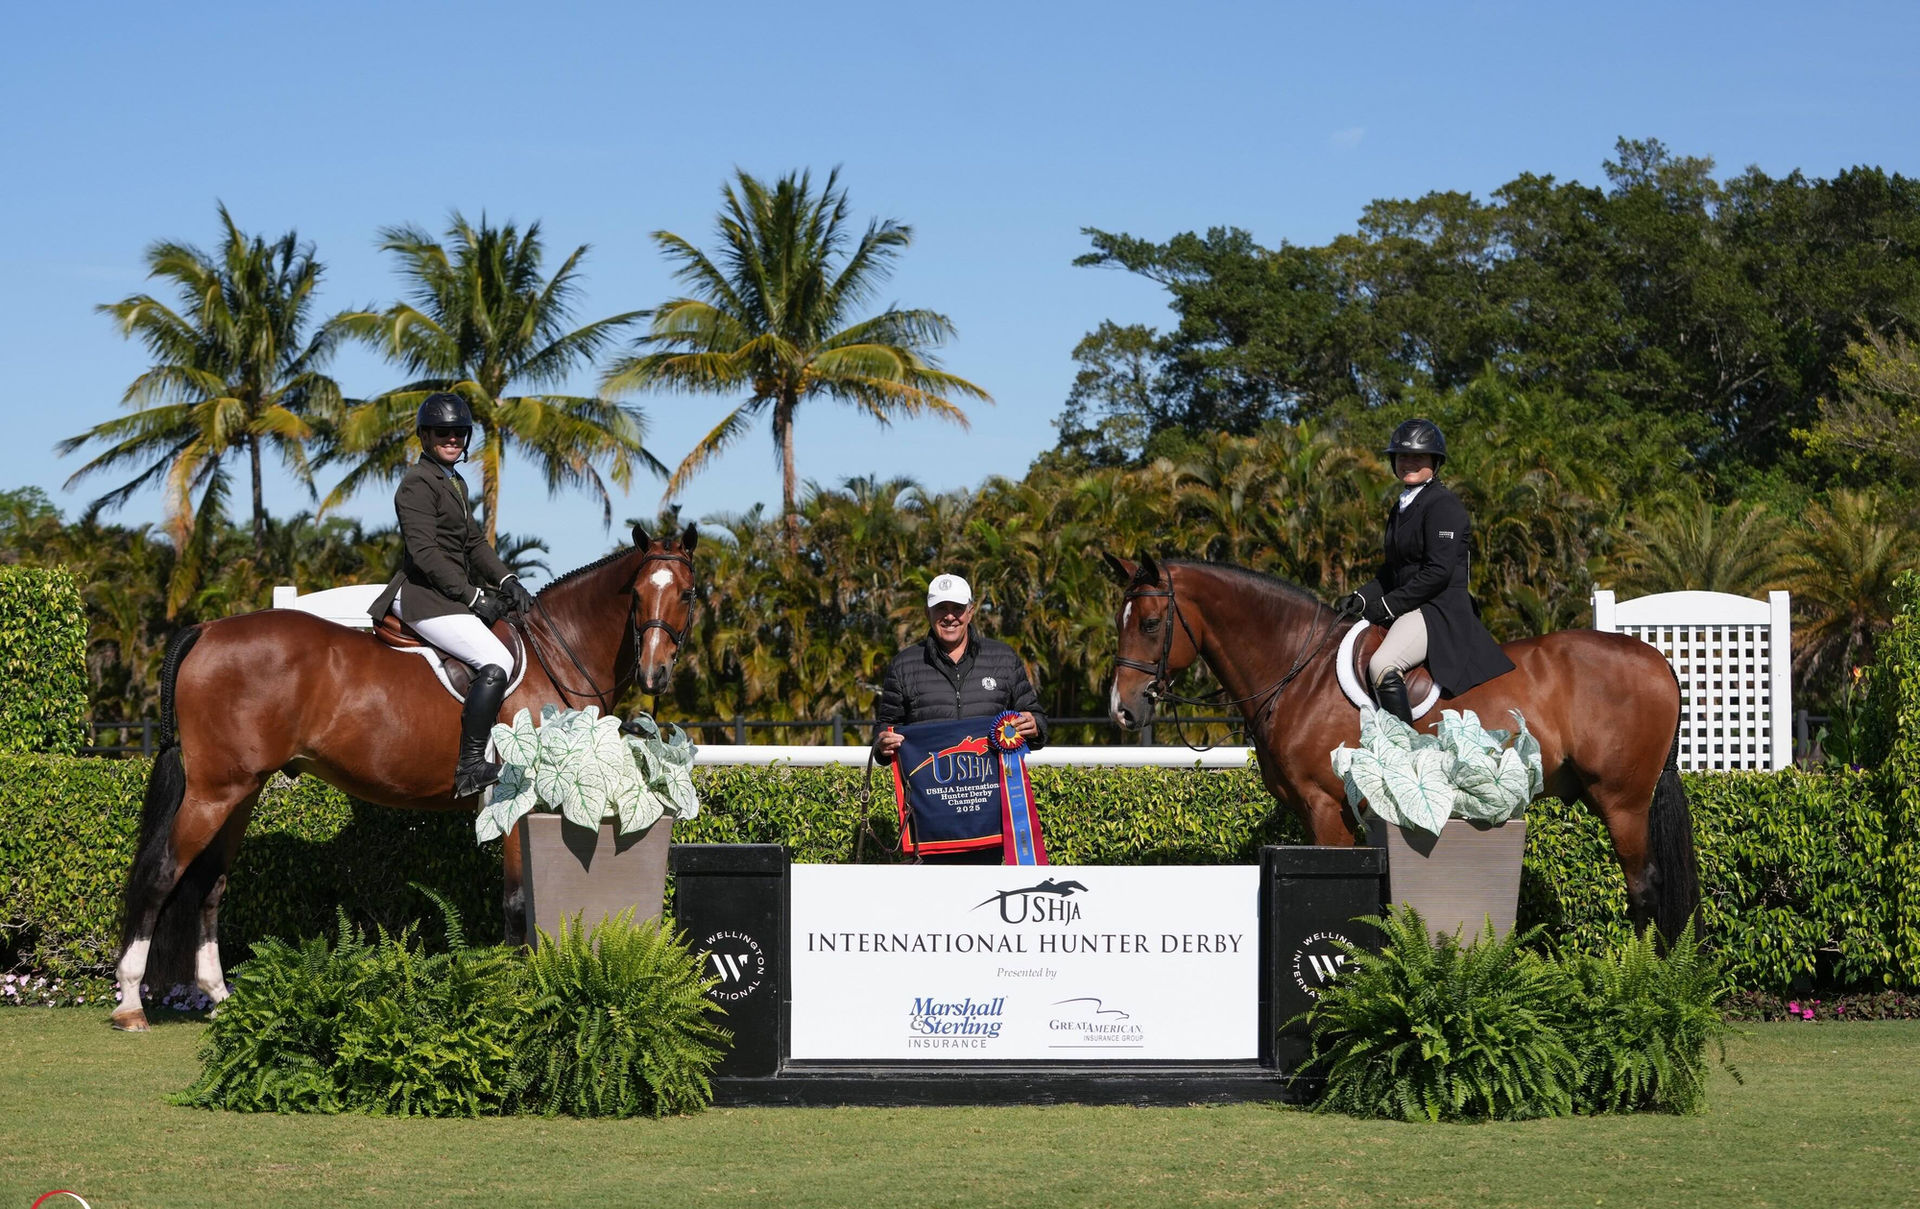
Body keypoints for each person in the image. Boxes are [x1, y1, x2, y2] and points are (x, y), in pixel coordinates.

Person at [367, 392, 535, 797]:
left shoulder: (454, 481)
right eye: (443, 432)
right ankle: (470, 765)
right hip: (423, 596)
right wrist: (473, 596)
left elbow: (474, 544)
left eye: (459, 432)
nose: (452, 439)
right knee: (497, 659)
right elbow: (425, 554)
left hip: (448, 596)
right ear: (425, 436)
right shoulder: (417, 483)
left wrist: (508, 580)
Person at [1336, 418, 1514, 724]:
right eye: (1402, 456)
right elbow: (1393, 570)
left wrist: (1387, 606)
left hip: (1438, 609)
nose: (1408, 462)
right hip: (1412, 605)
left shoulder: (1444, 506)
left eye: (1418, 457)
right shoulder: (1401, 507)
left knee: (1382, 664)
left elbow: (1438, 572)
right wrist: (1361, 598)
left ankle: (1402, 744)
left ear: (1435, 462)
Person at [875, 573, 1049, 864]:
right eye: (941, 608)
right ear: (928, 612)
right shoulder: (903, 665)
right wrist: (882, 745)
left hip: (992, 822)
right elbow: (884, 728)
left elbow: (1037, 719)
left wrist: (1034, 726)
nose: (949, 616)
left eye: (957, 608)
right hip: (930, 826)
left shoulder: (1003, 658)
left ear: (971, 610)